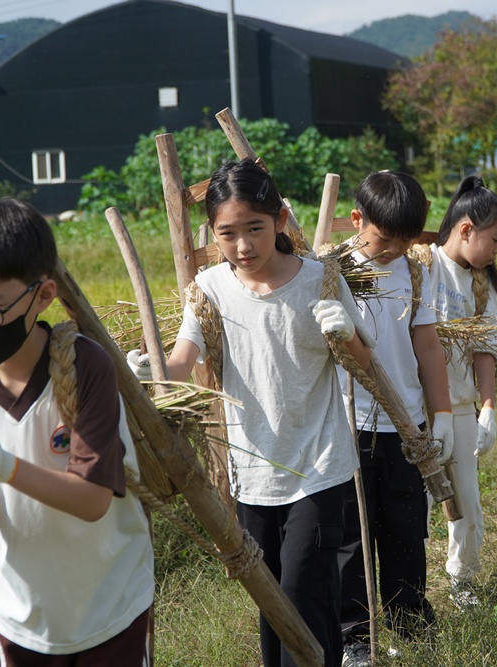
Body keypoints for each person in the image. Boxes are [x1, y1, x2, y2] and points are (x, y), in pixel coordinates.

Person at [129, 158, 372, 667]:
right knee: (271, 600)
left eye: (255, 229)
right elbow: (178, 364)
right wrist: (142, 371)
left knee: (303, 595)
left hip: (318, 468)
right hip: (253, 473)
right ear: (213, 234)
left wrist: (346, 332)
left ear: (280, 220)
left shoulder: (320, 281)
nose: (243, 246)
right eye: (228, 233)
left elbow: (364, 365)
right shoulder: (212, 288)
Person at [0, 198, 154, 665]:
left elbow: (91, 500)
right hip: (23, 614)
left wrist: (5, 466)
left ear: (43, 295)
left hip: (110, 603)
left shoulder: (86, 366)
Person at [335, 170, 454, 667]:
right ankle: (355, 637)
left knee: (407, 530)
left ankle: (409, 621)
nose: (391, 251)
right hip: (348, 423)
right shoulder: (330, 267)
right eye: (384, 240)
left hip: (405, 427)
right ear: (358, 219)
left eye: (404, 243)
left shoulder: (417, 270)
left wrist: (441, 413)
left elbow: (426, 345)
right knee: (351, 535)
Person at [414, 176, 497, 610]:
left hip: (461, 409)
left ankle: (462, 579)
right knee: (409, 509)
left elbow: (485, 347)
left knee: (467, 503)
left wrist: (487, 407)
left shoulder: (481, 284)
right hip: (412, 410)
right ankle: (406, 594)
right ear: (466, 228)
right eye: (495, 239)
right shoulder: (420, 264)